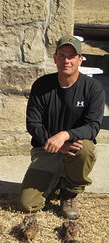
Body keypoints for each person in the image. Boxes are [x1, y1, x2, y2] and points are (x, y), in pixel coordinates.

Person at [17, 35, 105, 219]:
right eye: (62, 55)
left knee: (86, 148)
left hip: (74, 148)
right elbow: (33, 124)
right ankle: (56, 180)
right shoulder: (42, 85)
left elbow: (93, 126)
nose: (67, 60)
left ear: (80, 59)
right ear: (55, 58)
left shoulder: (93, 88)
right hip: (47, 149)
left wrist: (65, 135)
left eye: (72, 56)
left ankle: (69, 193)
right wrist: (53, 142)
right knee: (28, 205)